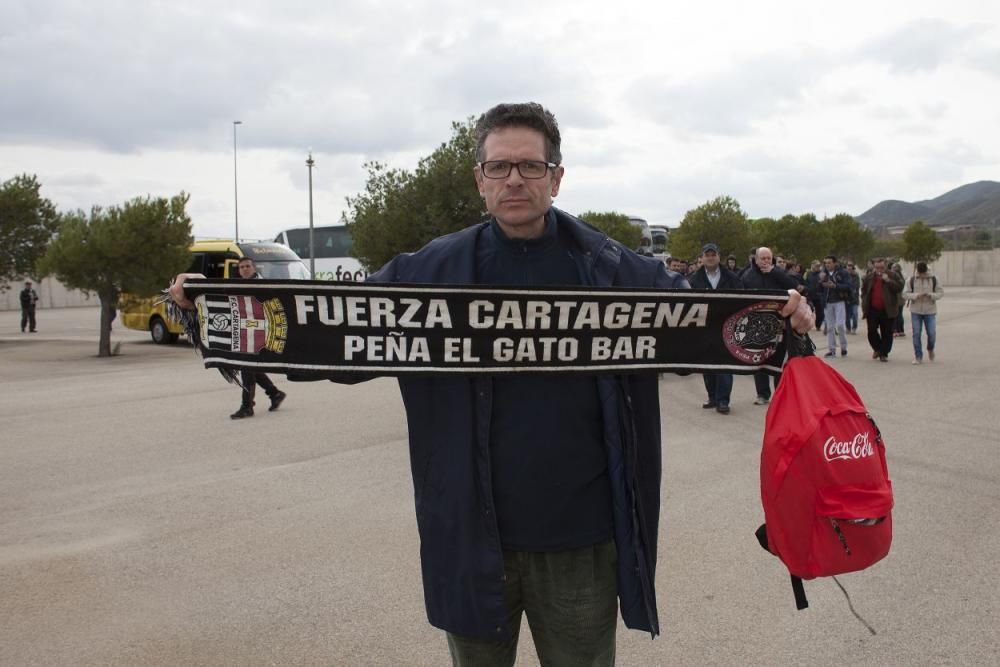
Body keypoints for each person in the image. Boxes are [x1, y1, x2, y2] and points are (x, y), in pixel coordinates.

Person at [171, 102, 814, 665]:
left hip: (581, 543)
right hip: (471, 537)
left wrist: (785, 319)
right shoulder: (429, 272)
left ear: (556, 178)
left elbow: (701, 324)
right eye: (500, 166)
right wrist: (215, 313)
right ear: (479, 179)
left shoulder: (613, 269)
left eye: (530, 166)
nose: (515, 179)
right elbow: (337, 335)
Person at [688, 243, 744, 414]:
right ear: (702, 258)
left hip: (726, 326)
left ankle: (723, 400)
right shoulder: (693, 280)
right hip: (704, 327)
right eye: (707, 254)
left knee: (725, 364)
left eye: (713, 254)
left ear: (719, 257)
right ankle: (712, 396)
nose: (710, 257)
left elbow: (742, 298)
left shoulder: (732, 277)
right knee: (707, 365)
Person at [229, 257, 287, 419]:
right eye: (241, 267)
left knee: (246, 367)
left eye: (247, 266)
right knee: (250, 367)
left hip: (261, 330)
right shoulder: (241, 285)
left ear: (254, 268)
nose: (245, 269)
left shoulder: (262, 284)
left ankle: (247, 406)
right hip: (248, 330)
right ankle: (274, 393)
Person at [740, 245, 798, 405]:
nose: (766, 261)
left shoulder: (778, 273)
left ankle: (780, 393)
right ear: (756, 259)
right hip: (757, 323)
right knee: (759, 359)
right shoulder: (747, 276)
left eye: (768, 258)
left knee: (780, 359)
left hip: (780, 322)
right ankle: (762, 394)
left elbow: (794, 285)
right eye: (763, 258)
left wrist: (775, 272)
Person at [861, 257, 904, 362]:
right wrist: (864, 302)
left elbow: (899, 287)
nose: (879, 270)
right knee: (871, 331)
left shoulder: (893, 275)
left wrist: (888, 280)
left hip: (887, 310)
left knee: (887, 333)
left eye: (881, 267)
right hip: (872, 309)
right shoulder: (869, 277)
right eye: (877, 267)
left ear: (886, 266)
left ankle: (884, 353)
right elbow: (864, 291)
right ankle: (877, 348)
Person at [901, 261, 944, 364]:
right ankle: (918, 356)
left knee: (931, 333)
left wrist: (931, 295)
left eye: (923, 273)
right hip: (916, 310)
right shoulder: (911, 279)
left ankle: (930, 348)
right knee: (916, 333)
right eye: (920, 274)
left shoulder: (934, 279)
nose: (922, 275)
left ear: (926, 271)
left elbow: (940, 292)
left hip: (930, 310)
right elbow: (905, 294)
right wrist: (916, 295)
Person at [820, 255, 851, 359]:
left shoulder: (842, 273)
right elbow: (818, 288)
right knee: (830, 327)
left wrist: (835, 286)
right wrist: (821, 282)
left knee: (840, 325)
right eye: (826, 263)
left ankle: (843, 347)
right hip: (828, 302)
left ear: (835, 263)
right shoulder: (824, 274)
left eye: (829, 262)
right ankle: (831, 349)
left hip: (839, 301)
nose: (827, 265)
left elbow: (848, 286)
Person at [845, 260, 861, 334]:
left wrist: (849, 288)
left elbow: (856, 286)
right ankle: (848, 328)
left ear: (852, 267)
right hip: (846, 299)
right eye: (848, 265)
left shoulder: (856, 275)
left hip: (854, 299)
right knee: (847, 315)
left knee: (855, 314)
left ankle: (854, 327)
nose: (849, 267)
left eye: (850, 265)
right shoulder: (843, 275)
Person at [891, 262, 906, 337]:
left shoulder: (893, 278)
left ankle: (895, 330)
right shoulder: (902, 278)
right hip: (901, 299)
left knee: (894, 315)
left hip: (895, 299)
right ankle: (901, 330)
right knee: (900, 314)